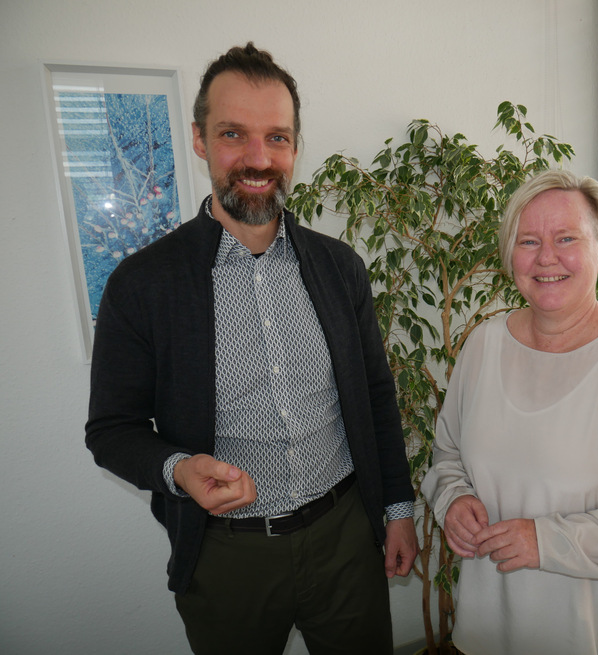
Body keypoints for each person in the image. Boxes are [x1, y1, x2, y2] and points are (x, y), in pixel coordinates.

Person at [86, 42, 418, 655]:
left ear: (294, 146)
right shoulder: (142, 283)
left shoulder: (339, 267)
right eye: (234, 134)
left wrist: (397, 508)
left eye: (278, 138)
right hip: (225, 555)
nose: (259, 159)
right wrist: (179, 469)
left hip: (346, 539)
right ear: (200, 140)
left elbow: (375, 395)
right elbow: (112, 430)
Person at [421, 169, 598, 655]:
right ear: (510, 256)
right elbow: (447, 454)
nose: (546, 258)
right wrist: (452, 500)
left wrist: (548, 541)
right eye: (529, 241)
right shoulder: (483, 344)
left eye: (566, 239)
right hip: (488, 632)